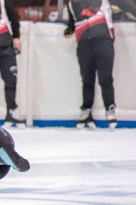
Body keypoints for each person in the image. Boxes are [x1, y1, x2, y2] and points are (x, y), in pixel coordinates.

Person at [64, 0, 117, 129]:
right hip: (84, 44)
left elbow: (123, 7)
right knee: (87, 79)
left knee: (105, 78)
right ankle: (86, 111)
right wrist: (69, 30)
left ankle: (110, 109)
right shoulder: (71, 2)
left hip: (103, 42)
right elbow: (73, 21)